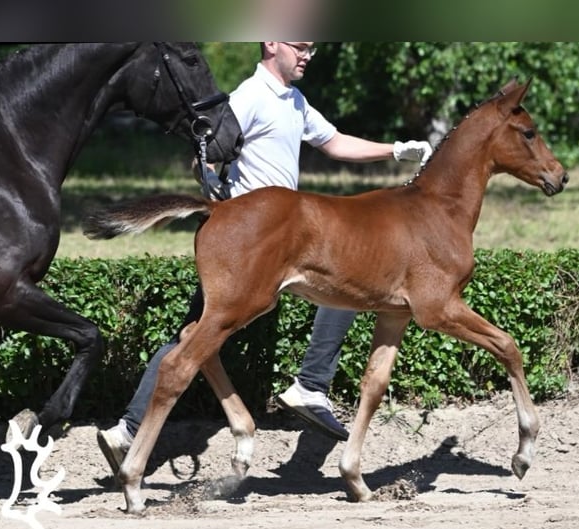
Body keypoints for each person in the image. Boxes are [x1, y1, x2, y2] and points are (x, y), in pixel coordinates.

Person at [97, 41, 432, 479]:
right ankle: (306, 386)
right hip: (254, 239)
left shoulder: (293, 100)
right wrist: (213, 181)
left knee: (206, 329)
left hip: (284, 236)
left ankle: (129, 432)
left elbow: (333, 143)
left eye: (312, 47)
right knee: (210, 331)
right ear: (272, 43)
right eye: (301, 46)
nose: (309, 54)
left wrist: (394, 149)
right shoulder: (249, 97)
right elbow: (208, 151)